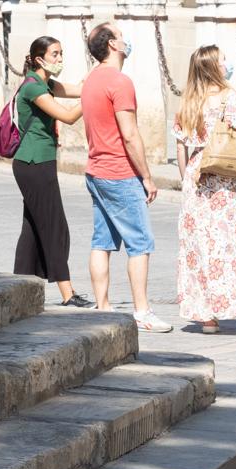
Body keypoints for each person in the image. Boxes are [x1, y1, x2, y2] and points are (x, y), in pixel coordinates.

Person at [80, 23, 172, 333]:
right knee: (140, 243)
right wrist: (146, 176)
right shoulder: (120, 82)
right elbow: (130, 134)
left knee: (102, 241)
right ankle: (142, 311)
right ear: (113, 45)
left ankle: (102, 305)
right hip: (120, 172)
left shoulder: (91, 80)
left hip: (95, 170)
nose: (125, 38)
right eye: (120, 35)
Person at [173, 46, 236, 334]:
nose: (227, 64)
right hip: (228, 177)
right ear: (215, 67)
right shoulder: (231, 99)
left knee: (201, 246)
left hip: (198, 177)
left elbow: (181, 147)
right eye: (224, 60)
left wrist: (186, 180)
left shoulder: (188, 102)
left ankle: (207, 318)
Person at [12, 36, 93, 308]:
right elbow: (68, 116)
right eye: (55, 54)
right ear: (39, 59)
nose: (60, 59)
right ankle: (68, 294)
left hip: (38, 163)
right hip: (33, 164)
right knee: (54, 227)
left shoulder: (46, 84)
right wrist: (94, 94)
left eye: (61, 54)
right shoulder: (33, 88)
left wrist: (100, 70)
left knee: (33, 229)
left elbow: (80, 89)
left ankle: (18, 289)